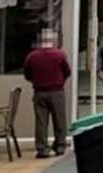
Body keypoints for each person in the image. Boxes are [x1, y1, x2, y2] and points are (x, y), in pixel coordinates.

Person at [23, 28, 71, 158]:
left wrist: (36, 81)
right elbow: (67, 71)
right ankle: (60, 146)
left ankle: (42, 148)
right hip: (57, 91)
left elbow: (27, 74)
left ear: (40, 41)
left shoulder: (32, 57)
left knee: (41, 122)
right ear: (53, 40)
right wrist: (60, 81)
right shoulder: (60, 55)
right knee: (59, 119)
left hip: (39, 92)